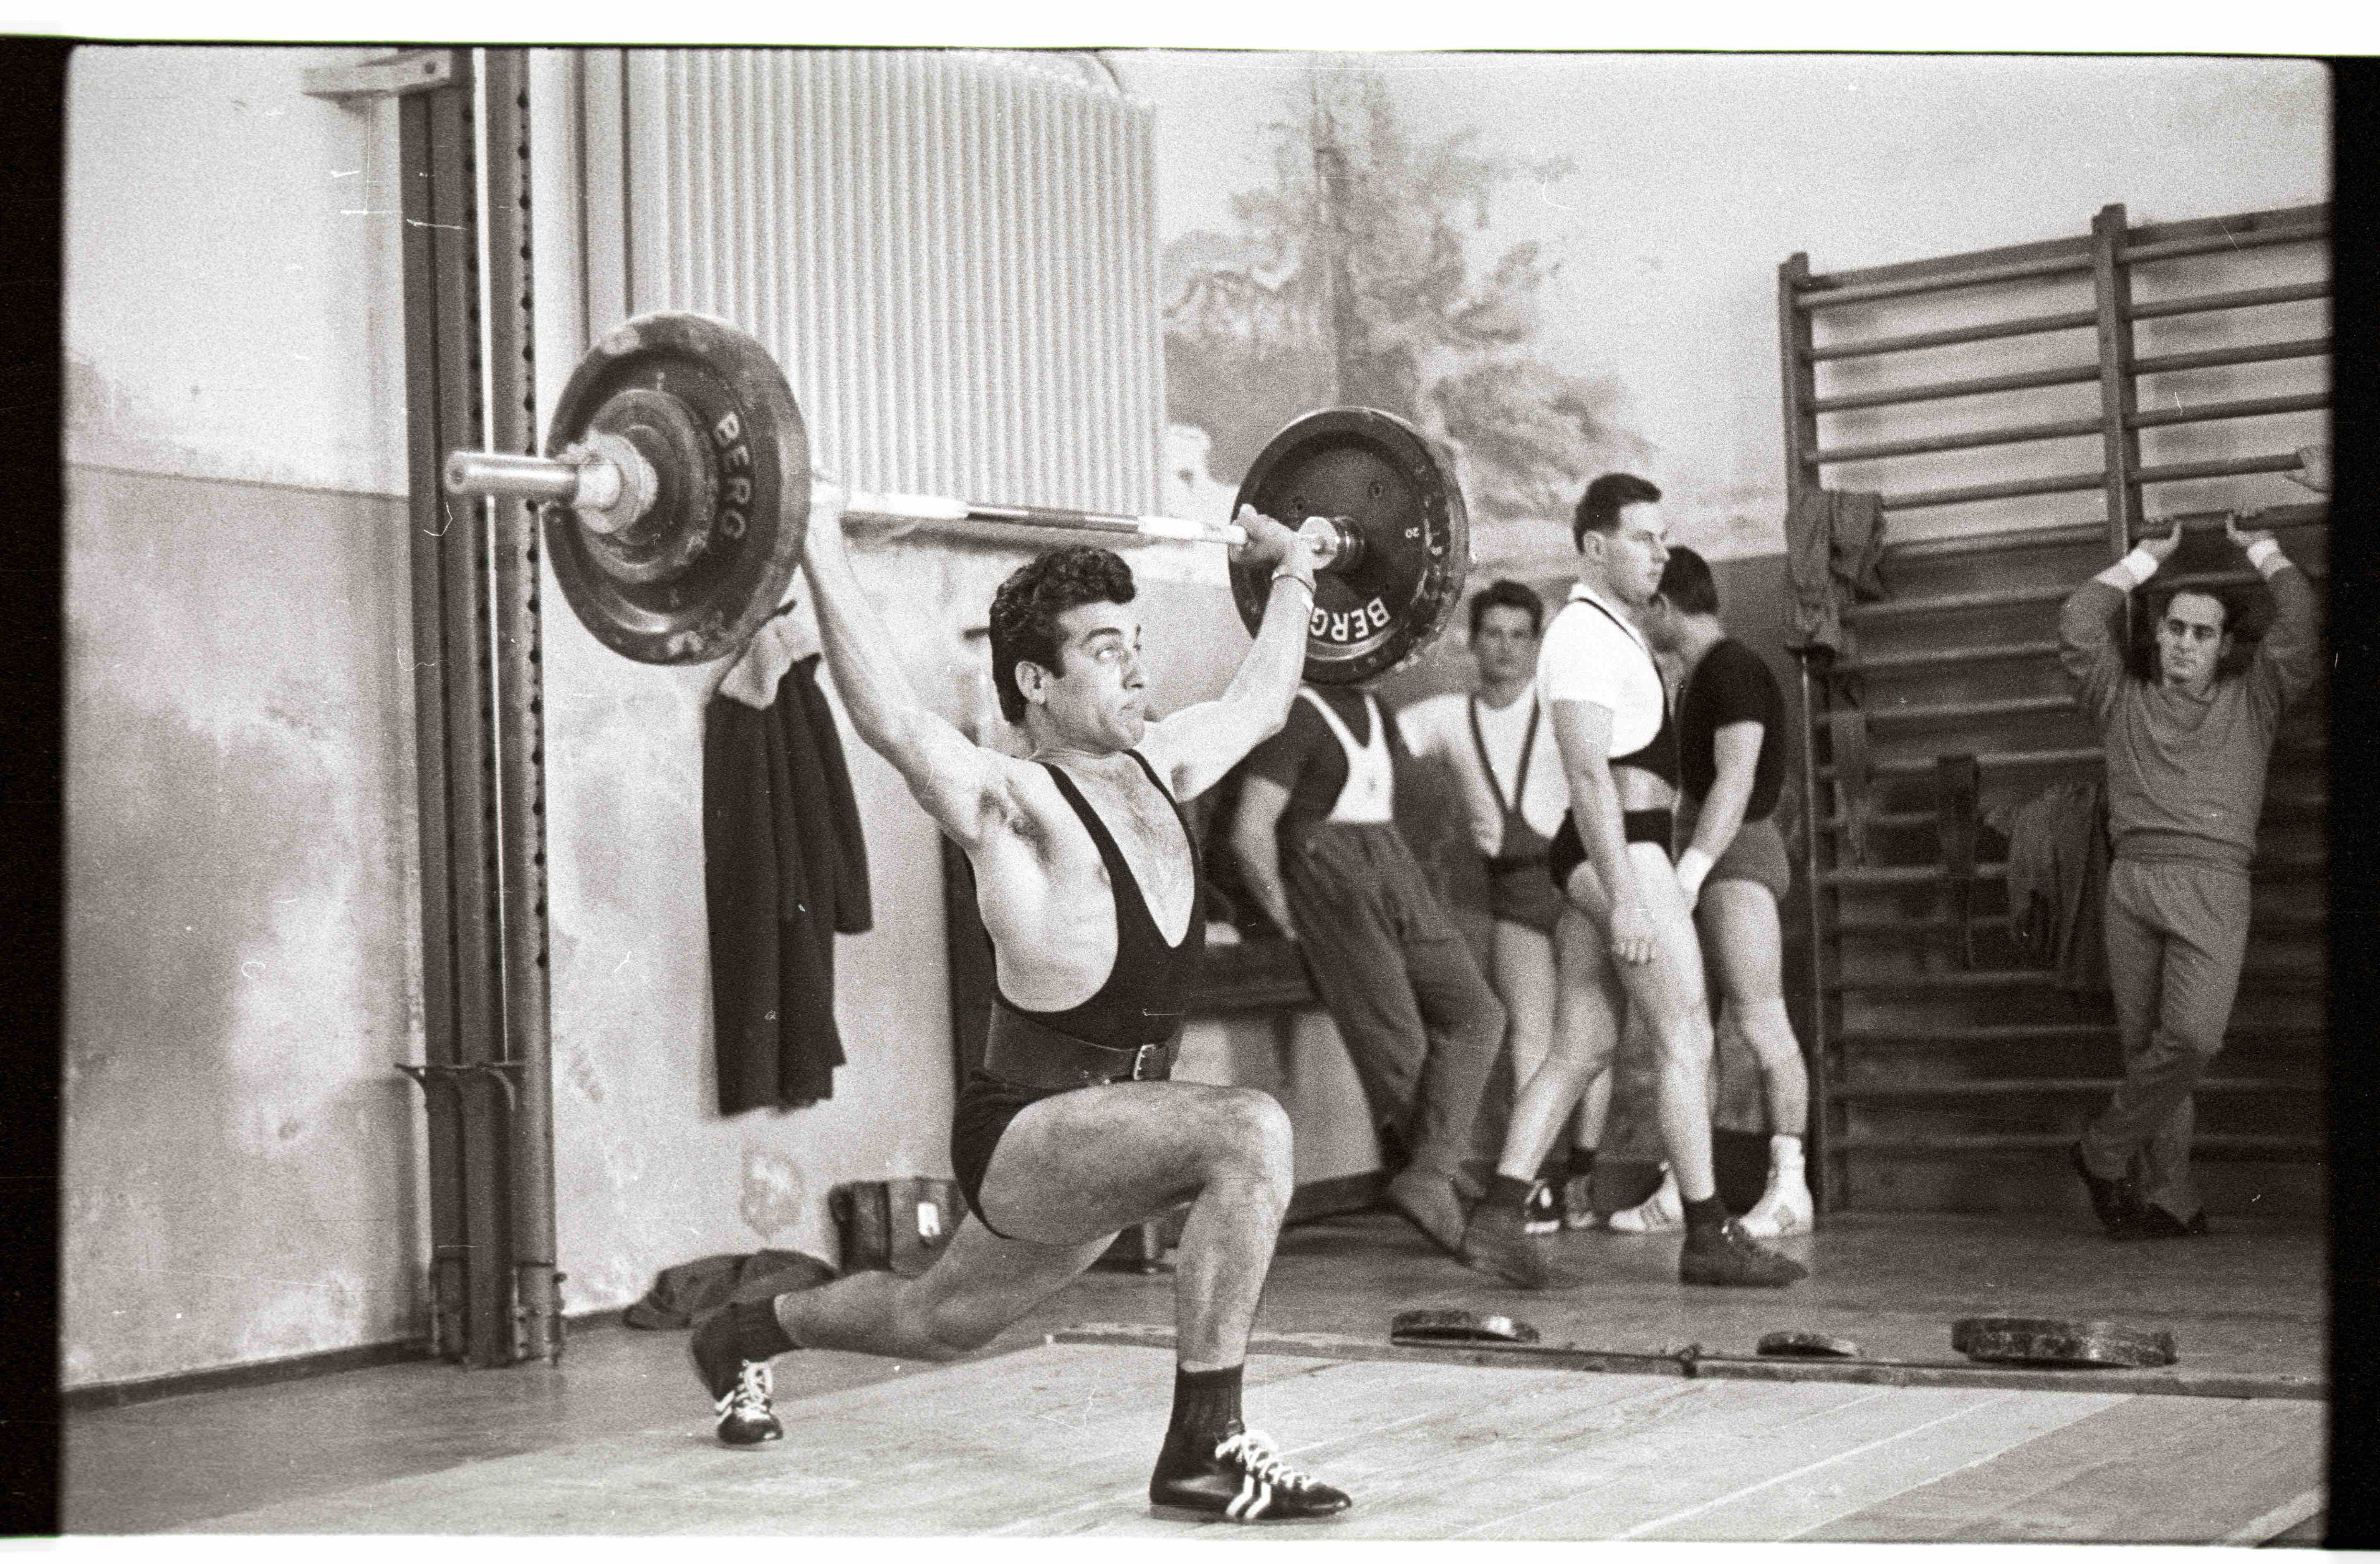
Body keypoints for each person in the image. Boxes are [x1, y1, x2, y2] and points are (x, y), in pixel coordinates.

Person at [689, 483, 1354, 1523]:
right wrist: (815, 539)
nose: (1135, 668)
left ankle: (744, 1333)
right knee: (1248, 1129)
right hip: (1030, 1130)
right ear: (1037, 681)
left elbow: (1261, 703)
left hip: (1118, 1128)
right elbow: (893, 721)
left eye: (1135, 644)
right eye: (1104, 649)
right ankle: (1203, 1448)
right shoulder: (1011, 802)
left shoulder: (1162, 765)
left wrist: (1297, 575)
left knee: (934, 1321)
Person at [1458, 473, 1805, 1290]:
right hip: (1619, 849)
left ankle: (1499, 1217)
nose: (1659, 552)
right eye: (1642, 537)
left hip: (1614, 848)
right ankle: (1707, 1235)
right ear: (1594, 546)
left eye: (1662, 537)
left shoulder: (1614, 631)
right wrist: (1623, 901)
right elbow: (1587, 775)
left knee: (1582, 1046)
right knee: (1686, 1036)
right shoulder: (1583, 634)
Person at [2059, 513, 2316, 1239]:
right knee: (2148, 1052)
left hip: (2213, 885)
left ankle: (2102, 1150)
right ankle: (2173, 1198)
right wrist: (2145, 560)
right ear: (2158, 633)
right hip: (2132, 884)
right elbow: (2078, 623)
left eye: (2203, 634)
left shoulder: (2254, 701)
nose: (2185, 644)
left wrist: (2261, 548)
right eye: (2175, 628)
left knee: (2193, 1040)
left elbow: (2301, 622)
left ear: (2224, 646)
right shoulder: (2120, 701)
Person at [1228, 676, 1508, 1262]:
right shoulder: (1299, 714)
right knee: (1400, 1045)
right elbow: (1250, 831)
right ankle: (1440, 1183)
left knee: (1478, 1013)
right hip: (1331, 874)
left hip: (1390, 862)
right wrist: (1287, 918)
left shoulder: (1375, 707)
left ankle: (1430, 1174)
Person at [1396, 580, 1612, 1236]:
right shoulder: (1445, 716)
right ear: (1472, 642)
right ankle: (1533, 1185)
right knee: (1530, 1038)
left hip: (1576, 884)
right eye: (1494, 634)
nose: (1507, 648)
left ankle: (1583, 1175)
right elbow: (1370, 741)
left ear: (1537, 643)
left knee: (1589, 1032)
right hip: (1513, 895)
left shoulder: (1559, 708)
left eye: (1520, 635)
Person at [1613, 546, 1814, 1238]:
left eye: (1643, 611)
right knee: (1691, 1033)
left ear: (1663, 605)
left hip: (1735, 854)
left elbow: (1736, 777)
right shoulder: (1698, 676)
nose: (1641, 625)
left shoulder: (1732, 669)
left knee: (1762, 1023)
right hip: (1704, 852)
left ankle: (1791, 1191)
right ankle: (1684, 1187)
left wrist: (1692, 872)